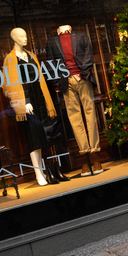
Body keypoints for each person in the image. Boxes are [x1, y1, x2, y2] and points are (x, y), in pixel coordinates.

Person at [3, 28, 58, 186]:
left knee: (40, 137)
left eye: (26, 35)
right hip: (26, 104)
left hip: (39, 99)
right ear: (14, 38)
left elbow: (40, 78)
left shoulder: (31, 56)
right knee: (33, 137)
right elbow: (8, 86)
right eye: (21, 36)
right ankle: (37, 174)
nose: (25, 38)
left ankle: (41, 171)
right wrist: (23, 101)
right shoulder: (10, 59)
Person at [46, 25, 102, 176]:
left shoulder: (81, 35)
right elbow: (51, 64)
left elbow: (88, 55)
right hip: (66, 82)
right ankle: (85, 153)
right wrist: (58, 83)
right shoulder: (52, 41)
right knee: (74, 117)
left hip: (82, 78)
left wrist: (82, 74)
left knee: (90, 113)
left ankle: (95, 152)